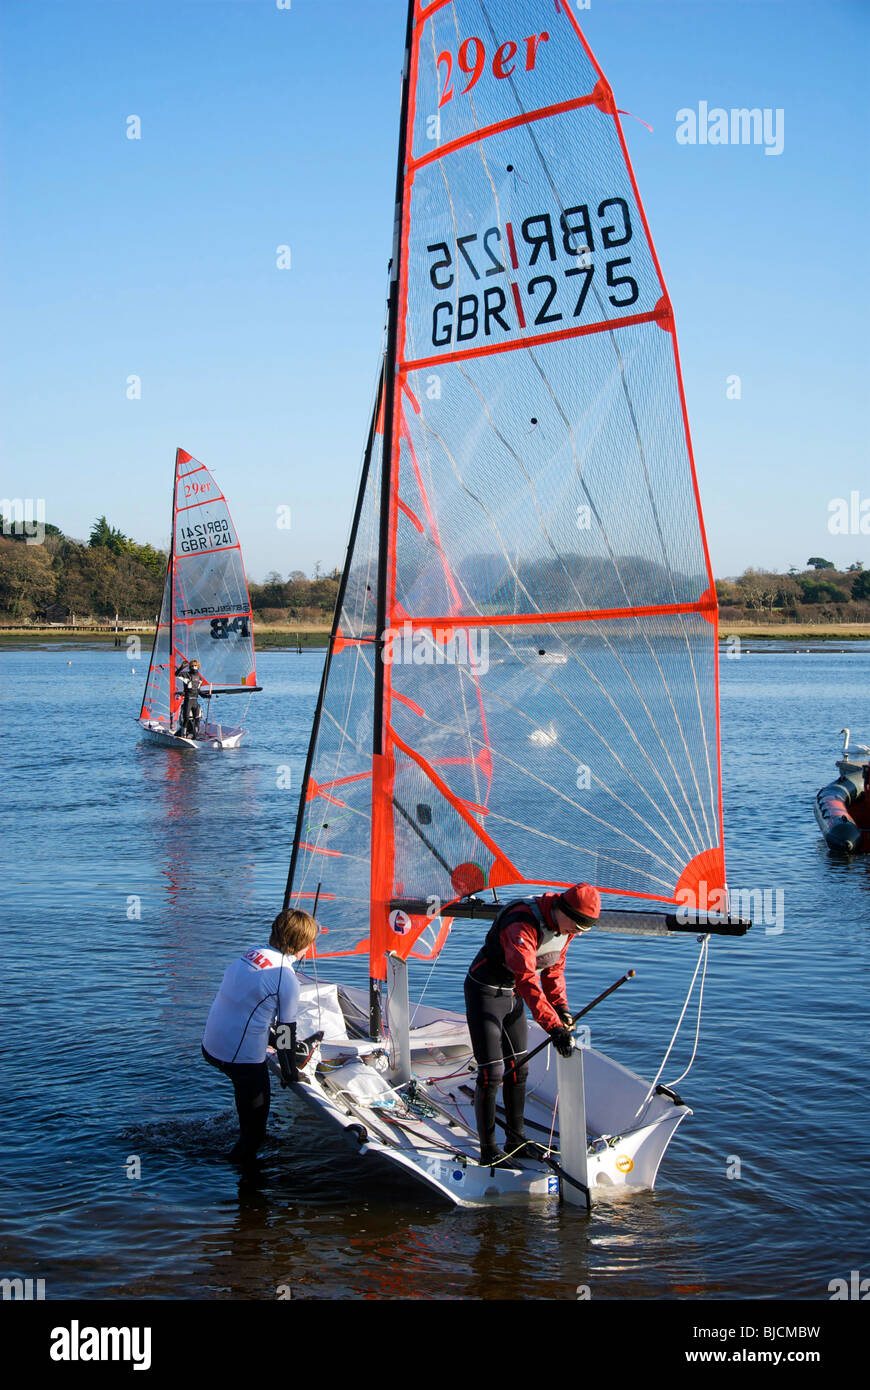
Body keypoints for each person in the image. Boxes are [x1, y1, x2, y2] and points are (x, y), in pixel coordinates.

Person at [464, 883, 601, 1167]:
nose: (574, 934)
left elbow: (553, 968)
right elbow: (527, 980)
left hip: (512, 995)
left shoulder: (565, 927)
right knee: (492, 1073)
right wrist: (553, 1027)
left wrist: (561, 1009)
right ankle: (488, 1151)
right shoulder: (521, 923)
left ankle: (517, 1141)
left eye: (581, 931)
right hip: (485, 992)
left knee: (519, 1069)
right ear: (563, 910)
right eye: (575, 927)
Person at [202, 909, 319, 1163]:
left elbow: (252, 1007)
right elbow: (287, 1032)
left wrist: (273, 1041)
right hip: (238, 1058)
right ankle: (244, 1189)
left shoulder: (253, 953)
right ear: (301, 945)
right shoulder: (286, 978)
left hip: (211, 1044)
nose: (310, 949)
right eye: (310, 943)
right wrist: (290, 1074)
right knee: (254, 1137)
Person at [175, 658, 207, 738]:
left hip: (195, 701)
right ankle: (183, 735)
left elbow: (198, 690)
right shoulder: (186, 675)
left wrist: (205, 695)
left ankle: (195, 737)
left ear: (198, 666)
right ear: (190, 667)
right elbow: (176, 674)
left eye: (195, 665)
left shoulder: (199, 678)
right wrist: (181, 668)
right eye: (192, 665)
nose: (193, 667)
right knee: (186, 719)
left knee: (197, 719)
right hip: (188, 700)